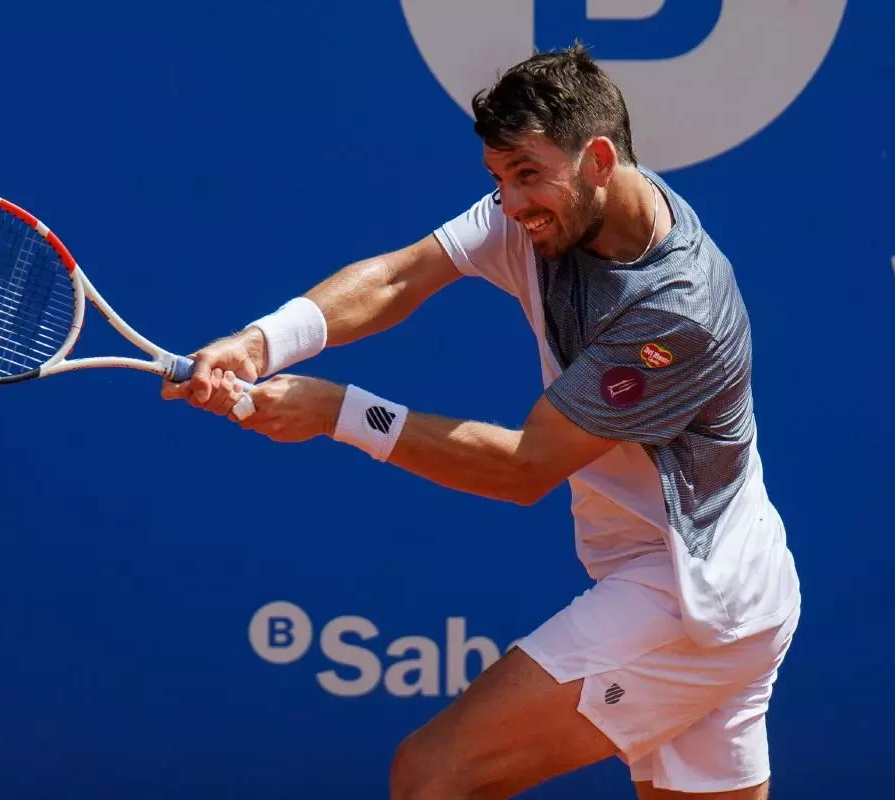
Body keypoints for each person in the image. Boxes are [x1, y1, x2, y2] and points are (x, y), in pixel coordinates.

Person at [162, 42, 801, 800]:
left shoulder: (674, 309)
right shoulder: (547, 213)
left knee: (434, 776)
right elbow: (401, 276)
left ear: (598, 159)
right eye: (498, 181)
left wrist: (337, 412)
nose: (510, 204)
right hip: (728, 591)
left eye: (526, 175)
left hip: (690, 602)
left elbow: (523, 467)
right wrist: (258, 343)